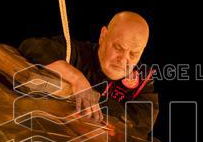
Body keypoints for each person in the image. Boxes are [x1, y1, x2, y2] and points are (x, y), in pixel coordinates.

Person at [19, 11, 158, 131]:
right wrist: (76, 78)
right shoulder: (76, 53)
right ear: (103, 36)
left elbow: (141, 123)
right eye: (118, 48)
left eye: (133, 54)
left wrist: (94, 98)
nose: (123, 60)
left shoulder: (143, 81)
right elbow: (33, 47)